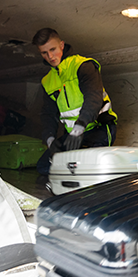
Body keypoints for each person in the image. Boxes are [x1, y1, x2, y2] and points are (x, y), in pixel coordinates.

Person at [33, 28, 117, 176]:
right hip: (71, 135)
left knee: (87, 169)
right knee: (44, 167)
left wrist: (79, 127)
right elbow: (48, 113)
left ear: (62, 45)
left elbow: (93, 99)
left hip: (98, 130)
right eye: (44, 53)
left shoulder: (83, 66)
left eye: (53, 49)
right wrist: (50, 140)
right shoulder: (47, 81)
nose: (50, 56)